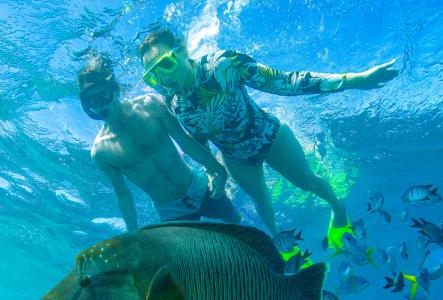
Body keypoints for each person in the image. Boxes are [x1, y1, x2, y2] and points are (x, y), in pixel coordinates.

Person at [137, 28, 399, 249]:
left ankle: (339, 210)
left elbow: (285, 82)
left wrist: (353, 80)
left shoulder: (223, 65)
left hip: (270, 137)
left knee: (308, 182)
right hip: (236, 158)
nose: (163, 77)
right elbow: (197, 138)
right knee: (261, 202)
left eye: (166, 64)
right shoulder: (174, 102)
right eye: (153, 75)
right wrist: (213, 172)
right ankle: (281, 247)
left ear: (182, 51)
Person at [78, 55, 241, 231]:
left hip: (199, 188)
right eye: (91, 100)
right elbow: (123, 194)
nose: (99, 105)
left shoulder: (150, 104)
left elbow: (186, 141)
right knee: (196, 255)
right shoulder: (101, 152)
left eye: (102, 95)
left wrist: (218, 170)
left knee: (234, 223)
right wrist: (133, 232)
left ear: (115, 90)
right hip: (171, 212)